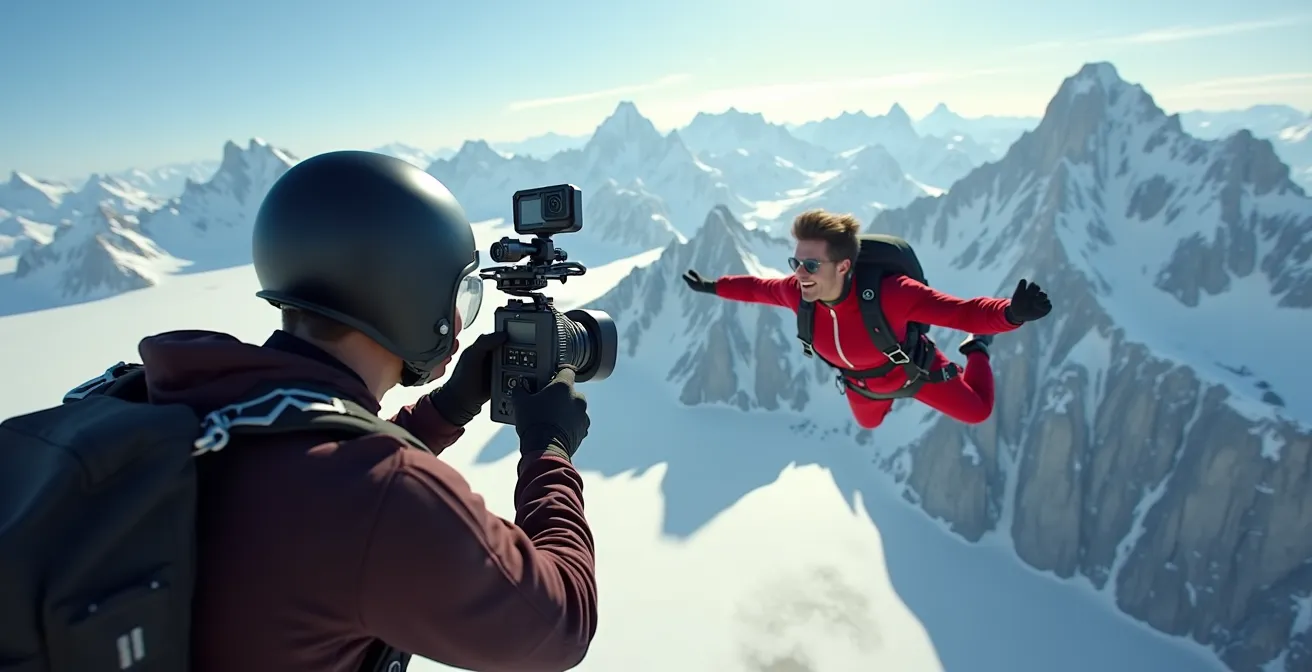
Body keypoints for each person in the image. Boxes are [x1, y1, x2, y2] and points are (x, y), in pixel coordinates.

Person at [154, 152, 596, 671]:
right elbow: (559, 625)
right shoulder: (385, 497)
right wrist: (549, 449)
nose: (457, 318)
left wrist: (446, 409)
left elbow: (315, 464)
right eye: (456, 294)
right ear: (410, 293)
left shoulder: (196, 396)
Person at [681, 208, 1051, 429]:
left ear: (843, 265)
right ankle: (886, 401)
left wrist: (1011, 314)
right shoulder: (798, 293)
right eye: (795, 263)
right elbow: (758, 288)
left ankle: (977, 351)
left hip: (916, 371)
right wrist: (714, 286)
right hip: (862, 386)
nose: (799, 274)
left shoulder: (894, 294)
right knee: (869, 422)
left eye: (810, 265)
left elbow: (962, 312)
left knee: (977, 412)